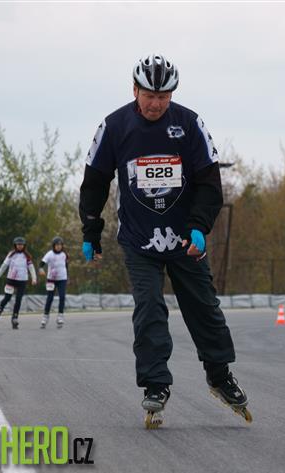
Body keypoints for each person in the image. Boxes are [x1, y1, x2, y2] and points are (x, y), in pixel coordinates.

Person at [78, 54, 250, 428]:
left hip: (185, 238)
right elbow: (94, 181)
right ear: (134, 90)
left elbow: (209, 182)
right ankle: (156, 385)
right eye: (149, 95)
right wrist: (91, 230)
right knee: (150, 309)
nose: (156, 104)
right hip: (140, 240)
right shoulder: (114, 126)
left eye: (163, 96)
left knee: (204, 307)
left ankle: (219, 376)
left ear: (172, 94)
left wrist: (200, 226)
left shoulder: (189, 124)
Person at [0, 237, 37, 329]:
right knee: (7, 297)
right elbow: (4, 266)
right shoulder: (11, 254)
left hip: (22, 281)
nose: (20, 246)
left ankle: (14, 318)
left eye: (21, 245)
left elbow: (31, 267)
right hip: (11, 279)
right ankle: (0, 309)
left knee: (18, 300)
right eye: (18, 245)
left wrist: (34, 278)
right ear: (15, 245)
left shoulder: (27, 256)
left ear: (24, 246)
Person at [39, 236, 68, 329]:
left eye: (60, 245)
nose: (59, 246)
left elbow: (66, 266)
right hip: (51, 279)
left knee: (62, 297)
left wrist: (67, 276)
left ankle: (60, 316)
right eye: (57, 245)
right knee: (50, 298)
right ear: (53, 246)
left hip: (62, 279)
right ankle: (45, 317)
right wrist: (41, 269)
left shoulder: (64, 254)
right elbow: (41, 264)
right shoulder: (49, 254)